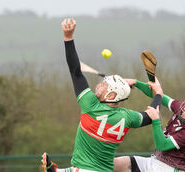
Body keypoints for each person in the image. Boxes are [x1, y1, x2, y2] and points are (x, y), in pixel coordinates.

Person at [41, 18, 163, 172]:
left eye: (104, 85)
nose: (98, 85)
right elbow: (150, 115)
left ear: (111, 96)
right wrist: (158, 93)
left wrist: (68, 38)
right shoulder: (127, 117)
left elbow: (75, 72)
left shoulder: (90, 104)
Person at [114, 79, 185, 172]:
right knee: (114, 164)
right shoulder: (182, 109)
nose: (184, 109)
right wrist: (136, 83)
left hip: (168, 169)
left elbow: (161, 145)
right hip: (153, 161)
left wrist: (156, 120)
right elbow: (159, 96)